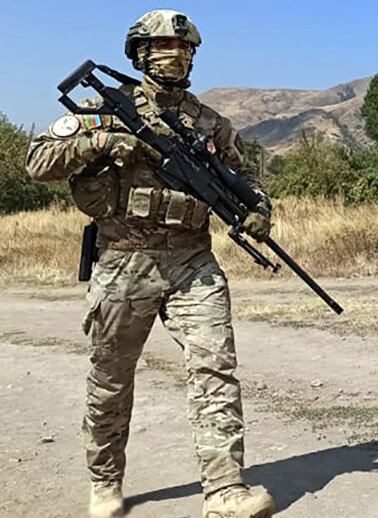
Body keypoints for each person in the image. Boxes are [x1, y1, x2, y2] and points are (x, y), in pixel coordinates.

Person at [26, 10, 275, 518]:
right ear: (139, 53)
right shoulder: (105, 109)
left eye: (183, 48)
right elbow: (36, 161)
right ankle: (105, 480)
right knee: (111, 378)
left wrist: (259, 209)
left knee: (215, 368)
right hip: (124, 260)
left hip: (193, 260)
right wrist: (101, 141)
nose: (175, 55)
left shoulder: (211, 123)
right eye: (162, 46)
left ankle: (225, 490)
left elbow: (244, 180)